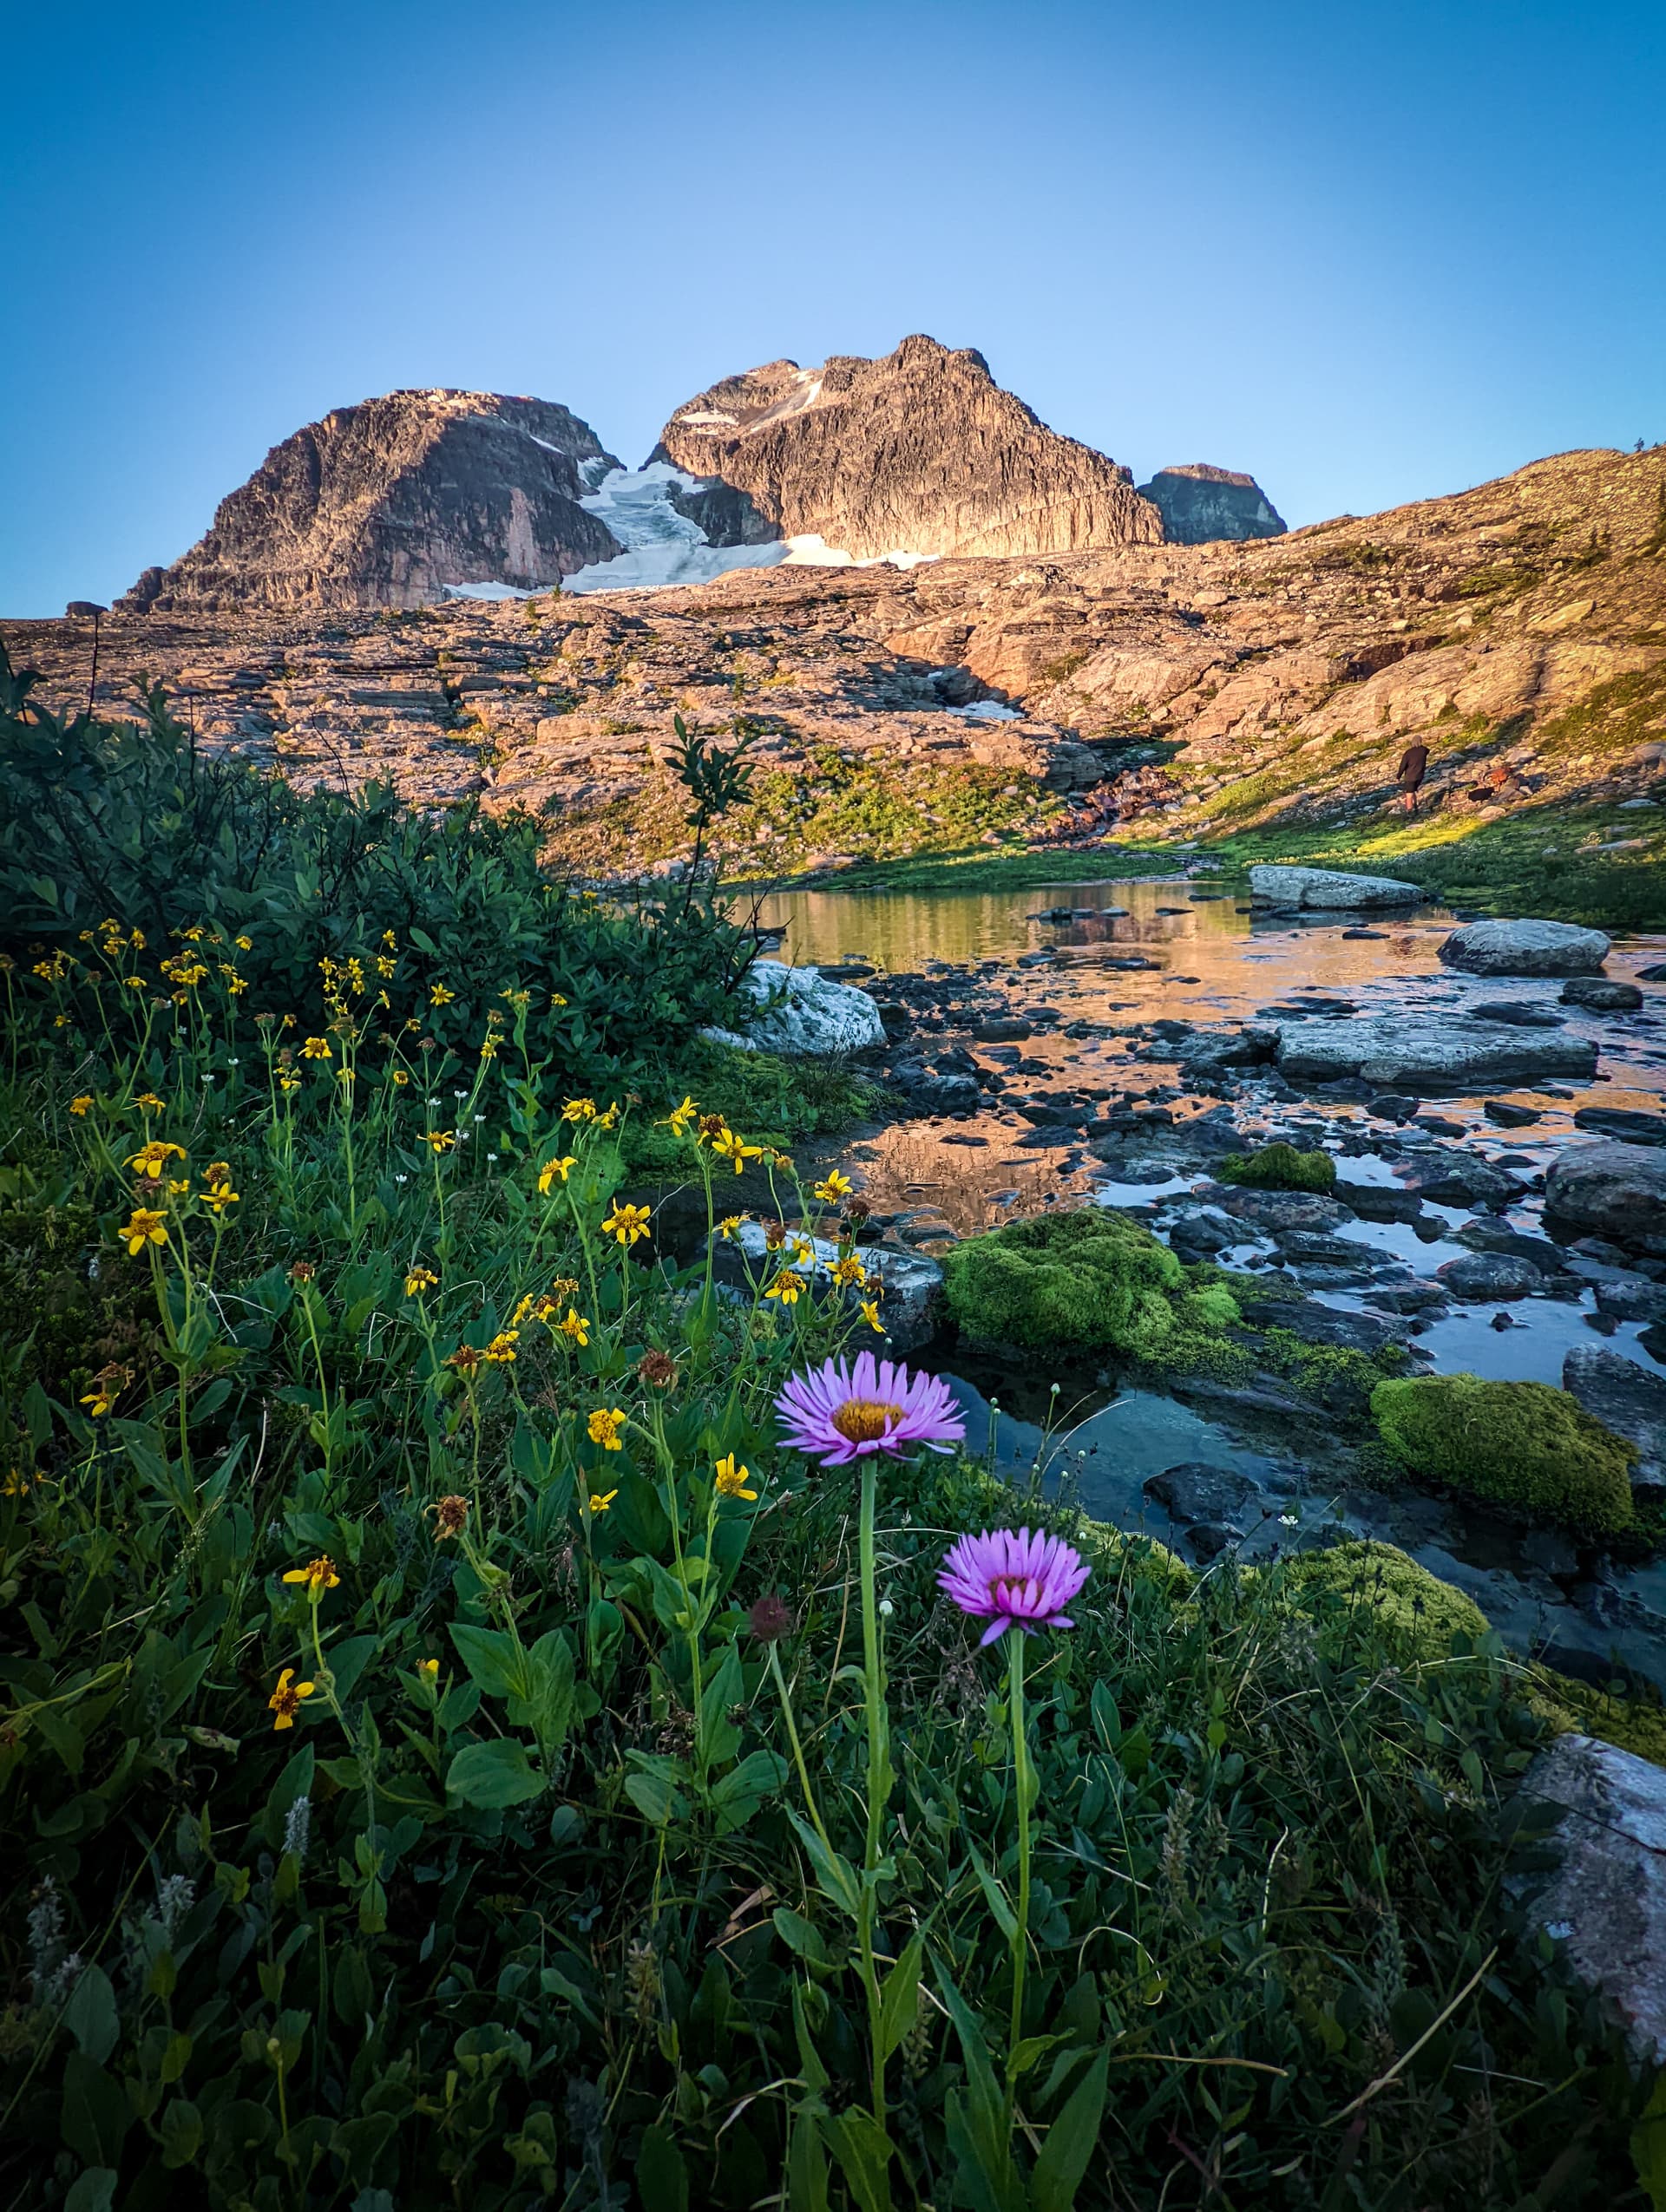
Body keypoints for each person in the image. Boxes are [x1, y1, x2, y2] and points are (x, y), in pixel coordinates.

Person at [1396, 741, 1429, 813]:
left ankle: (1410, 811)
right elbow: (1427, 750)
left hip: (1410, 776)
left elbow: (1403, 766)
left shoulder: (1408, 753)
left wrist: (1398, 776)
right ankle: (1415, 807)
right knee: (1413, 790)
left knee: (1409, 794)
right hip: (1420, 776)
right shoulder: (1423, 750)